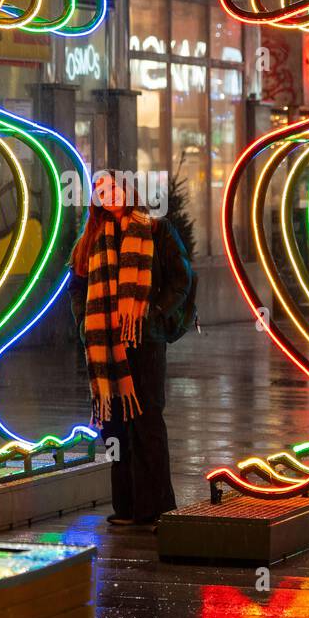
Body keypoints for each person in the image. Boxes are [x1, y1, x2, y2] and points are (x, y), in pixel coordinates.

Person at [69, 171, 191, 526]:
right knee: (114, 426)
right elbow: (76, 287)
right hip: (104, 346)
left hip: (144, 341)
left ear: (127, 189)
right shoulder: (91, 239)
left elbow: (181, 278)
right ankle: (126, 507)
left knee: (147, 419)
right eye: (100, 191)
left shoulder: (155, 228)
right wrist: (82, 323)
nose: (108, 195)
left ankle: (156, 508)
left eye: (113, 187)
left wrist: (154, 314)